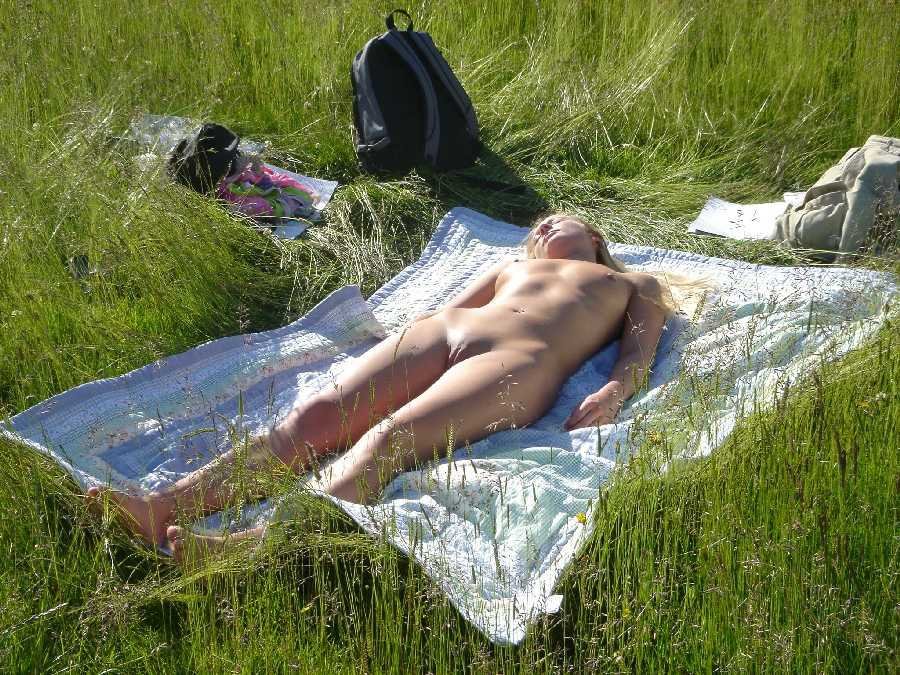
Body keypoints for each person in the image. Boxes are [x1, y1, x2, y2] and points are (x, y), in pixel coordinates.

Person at [88, 214, 675, 559]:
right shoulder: (511, 266)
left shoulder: (632, 283)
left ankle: (258, 546)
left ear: (593, 236)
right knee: (314, 418)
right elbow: (443, 310)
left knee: (390, 440)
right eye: (536, 228)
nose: (543, 227)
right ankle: (161, 506)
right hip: (444, 331)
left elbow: (639, 351)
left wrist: (614, 391)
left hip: (521, 361)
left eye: (557, 220)